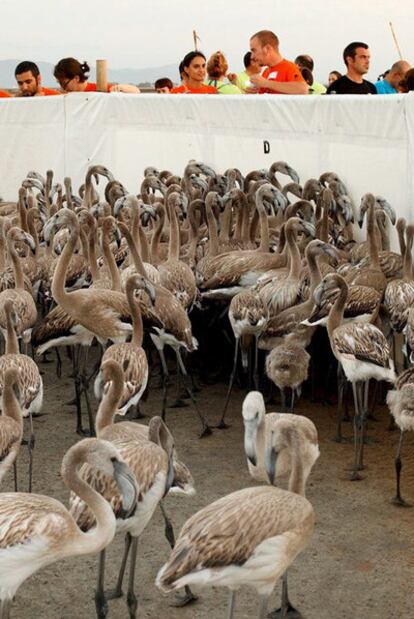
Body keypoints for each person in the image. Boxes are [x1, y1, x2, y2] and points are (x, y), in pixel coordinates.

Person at [247, 30, 307, 94]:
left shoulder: (289, 67)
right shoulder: (266, 72)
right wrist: (254, 92)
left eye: (254, 50)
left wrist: (266, 83)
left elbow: (303, 89)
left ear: (267, 49)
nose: (251, 57)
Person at [53, 58, 140, 93]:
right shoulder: (63, 95)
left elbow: (136, 91)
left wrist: (120, 87)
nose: (62, 87)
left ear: (76, 78)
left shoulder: (99, 90)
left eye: (63, 83)